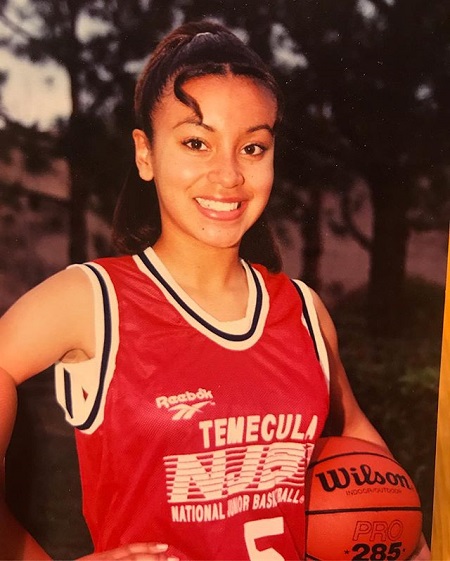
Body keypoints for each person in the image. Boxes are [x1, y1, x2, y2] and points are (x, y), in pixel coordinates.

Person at [0, 20, 430, 561]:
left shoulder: (302, 310)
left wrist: (408, 544)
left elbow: (358, 437)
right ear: (145, 154)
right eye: (196, 143)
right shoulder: (94, 300)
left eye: (252, 148)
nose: (227, 175)